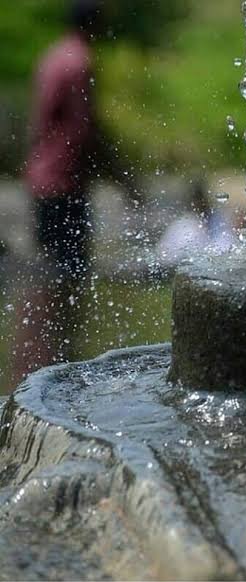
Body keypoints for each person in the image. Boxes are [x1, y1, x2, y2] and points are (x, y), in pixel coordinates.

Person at [12, 0, 142, 386]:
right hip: (64, 183)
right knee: (69, 280)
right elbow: (85, 131)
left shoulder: (52, 57)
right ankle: (55, 374)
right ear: (94, 24)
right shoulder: (80, 62)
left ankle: (30, 369)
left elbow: (41, 124)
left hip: (41, 179)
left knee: (46, 276)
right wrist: (123, 179)